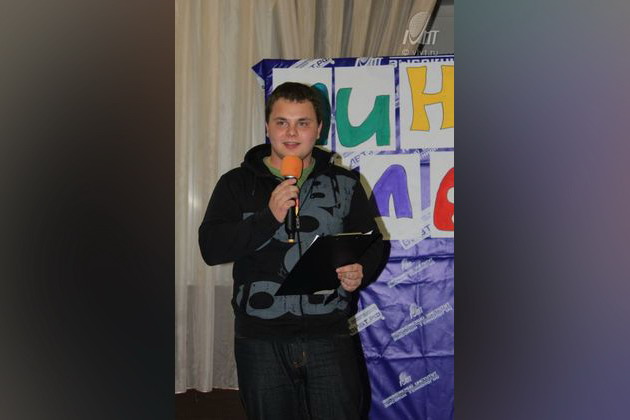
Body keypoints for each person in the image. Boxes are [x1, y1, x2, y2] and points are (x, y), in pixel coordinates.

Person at [198, 82, 385, 420]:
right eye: (282, 122)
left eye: (303, 123)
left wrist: (360, 270)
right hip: (260, 341)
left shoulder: (345, 183)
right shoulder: (236, 183)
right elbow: (211, 248)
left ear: (319, 129)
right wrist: (268, 217)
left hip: (329, 334)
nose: (291, 133)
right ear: (267, 127)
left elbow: (374, 243)